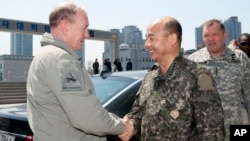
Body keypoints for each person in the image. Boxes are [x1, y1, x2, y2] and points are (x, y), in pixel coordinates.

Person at [26, 2, 133, 141]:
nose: (87, 35)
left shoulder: (45, 55)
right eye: (84, 28)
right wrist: (122, 127)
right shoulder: (62, 59)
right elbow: (86, 116)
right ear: (65, 26)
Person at [121, 16, 225, 141]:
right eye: (146, 38)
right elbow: (137, 111)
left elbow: (212, 133)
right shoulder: (151, 75)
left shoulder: (197, 76)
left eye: (151, 38)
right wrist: (131, 124)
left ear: (172, 39)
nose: (147, 44)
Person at [188, 19, 250, 141]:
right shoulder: (193, 61)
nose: (210, 39)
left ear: (224, 35)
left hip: (235, 129)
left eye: (215, 34)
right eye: (206, 35)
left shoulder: (239, 58)